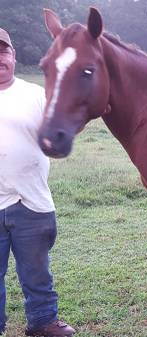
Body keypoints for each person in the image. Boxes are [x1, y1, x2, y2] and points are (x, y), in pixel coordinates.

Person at [0, 27, 75, 337]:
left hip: (30, 201)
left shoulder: (36, 95)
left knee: (36, 271)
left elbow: (59, 135)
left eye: (3, 51)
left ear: (14, 56)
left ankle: (43, 322)